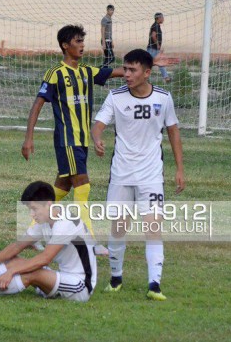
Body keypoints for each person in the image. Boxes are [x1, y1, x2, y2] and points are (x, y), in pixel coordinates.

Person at [21, 25, 177, 256]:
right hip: (68, 140)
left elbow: (119, 72)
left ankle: (31, 234)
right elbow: (37, 104)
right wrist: (28, 137)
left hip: (81, 141)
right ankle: (88, 241)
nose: (82, 45)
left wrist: (150, 64)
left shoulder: (86, 71)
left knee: (62, 188)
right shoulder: (55, 73)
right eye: (77, 41)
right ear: (65, 45)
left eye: (83, 40)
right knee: (83, 186)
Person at [91, 49, 185, 301]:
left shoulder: (164, 98)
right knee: (119, 227)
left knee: (153, 227)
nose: (126, 74)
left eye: (132, 70)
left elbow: (173, 132)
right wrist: (97, 138)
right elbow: (98, 123)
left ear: (147, 72)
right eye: (125, 69)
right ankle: (115, 278)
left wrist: (179, 169)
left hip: (151, 174)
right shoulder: (115, 96)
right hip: (121, 174)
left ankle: (154, 284)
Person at [147, 12, 171, 83]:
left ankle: (166, 78)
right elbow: (153, 35)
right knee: (150, 63)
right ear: (159, 18)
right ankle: (166, 78)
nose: (163, 19)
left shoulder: (156, 25)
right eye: (162, 17)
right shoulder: (155, 26)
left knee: (153, 63)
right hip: (153, 49)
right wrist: (157, 44)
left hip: (153, 49)